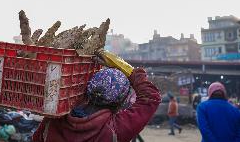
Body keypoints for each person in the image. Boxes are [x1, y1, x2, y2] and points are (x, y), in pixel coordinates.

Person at [33, 50, 161, 142]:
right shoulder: (116, 129)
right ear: (120, 101)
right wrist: (126, 69)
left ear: (88, 89)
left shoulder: (55, 120)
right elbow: (151, 97)